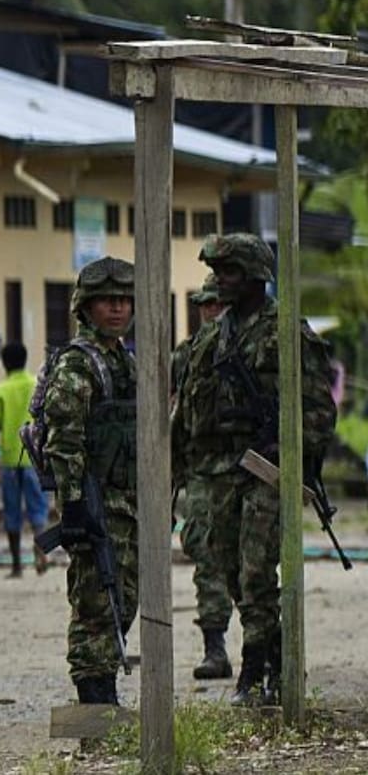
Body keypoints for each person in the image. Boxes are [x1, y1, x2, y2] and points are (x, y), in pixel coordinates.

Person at [173, 234, 336, 706]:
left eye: (231, 272)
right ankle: (273, 652)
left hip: (268, 471)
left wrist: (288, 448)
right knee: (227, 570)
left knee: (257, 569)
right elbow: (188, 408)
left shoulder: (286, 331)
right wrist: (179, 466)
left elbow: (320, 410)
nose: (221, 280)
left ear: (256, 277)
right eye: (218, 271)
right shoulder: (210, 337)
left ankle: (255, 670)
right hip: (220, 471)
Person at [43, 256, 137, 705]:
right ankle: (94, 695)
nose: (117, 309)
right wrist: (74, 502)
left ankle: (104, 688)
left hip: (127, 500)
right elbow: (64, 438)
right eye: (107, 302)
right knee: (95, 599)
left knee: (126, 595)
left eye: (124, 301)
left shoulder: (125, 362)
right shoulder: (78, 365)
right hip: (96, 499)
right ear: (87, 307)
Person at [170, 274, 234, 679]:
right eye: (204, 304)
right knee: (204, 551)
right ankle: (215, 646)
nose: (210, 311)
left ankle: (265, 651)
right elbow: (173, 413)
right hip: (199, 471)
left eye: (217, 303)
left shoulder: (248, 349)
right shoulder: (185, 356)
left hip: (244, 469)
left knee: (250, 563)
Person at [0, 342, 48, 578]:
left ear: (4, 363)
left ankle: (17, 565)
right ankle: (41, 551)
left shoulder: (0, 390)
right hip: (34, 457)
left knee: (12, 512)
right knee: (38, 509)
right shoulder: (37, 385)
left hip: (10, 458)